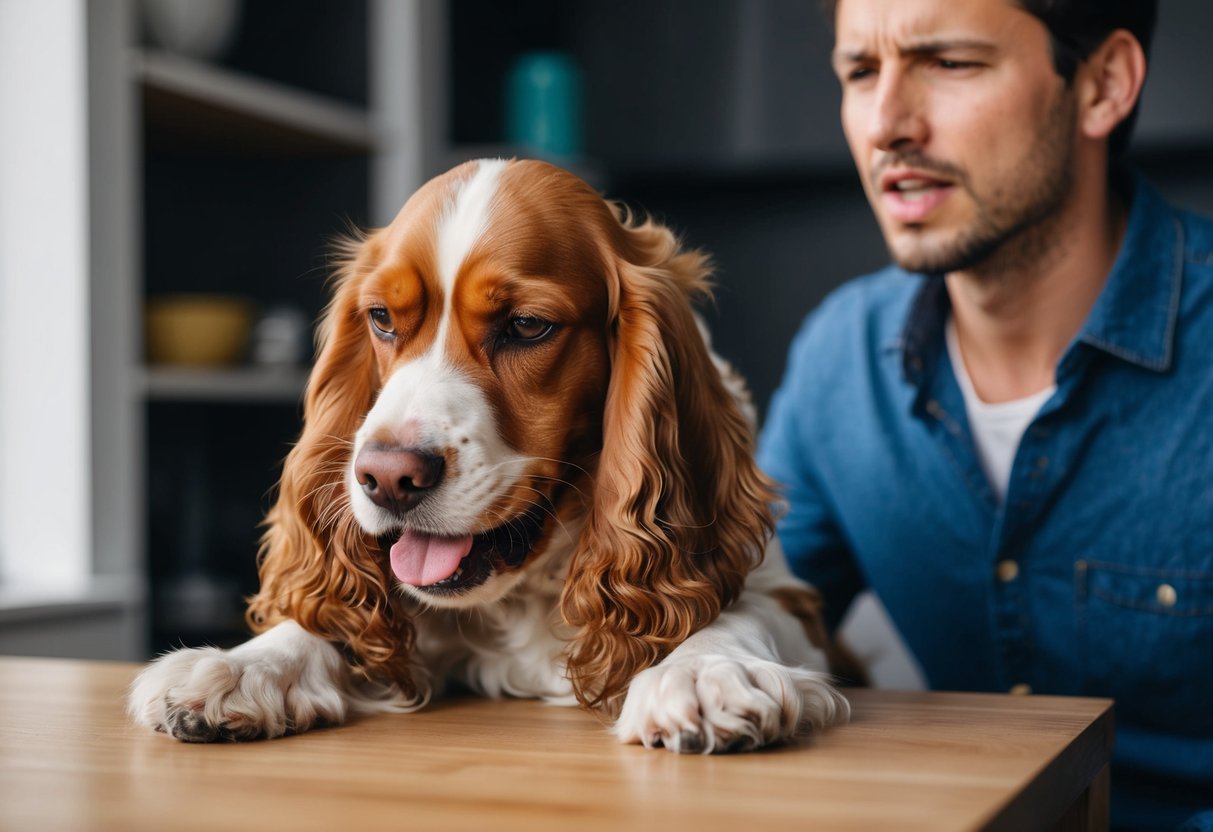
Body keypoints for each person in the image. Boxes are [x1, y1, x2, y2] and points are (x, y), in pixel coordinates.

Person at [756, 1, 1213, 829]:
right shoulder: (841, 358)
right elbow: (741, 606)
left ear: (1102, 85)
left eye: (949, 63)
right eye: (860, 71)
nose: (886, 124)